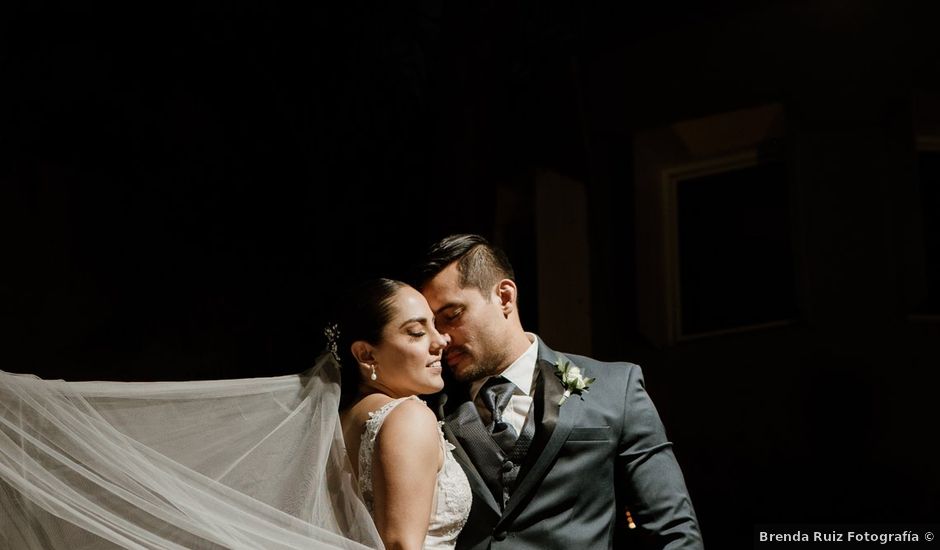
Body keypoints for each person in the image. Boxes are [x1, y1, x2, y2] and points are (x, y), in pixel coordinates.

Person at [414, 234, 704, 550]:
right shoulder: (426, 409)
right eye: (430, 325)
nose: (440, 338)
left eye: (452, 316)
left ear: (505, 297)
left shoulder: (615, 387)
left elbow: (674, 531)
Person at [334, 278, 472, 550]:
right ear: (366, 354)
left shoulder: (341, 419)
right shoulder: (409, 416)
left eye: (435, 325)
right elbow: (401, 544)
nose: (441, 340)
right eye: (417, 332)